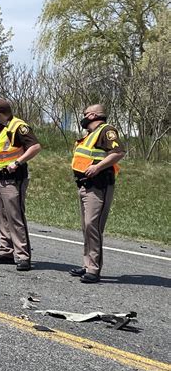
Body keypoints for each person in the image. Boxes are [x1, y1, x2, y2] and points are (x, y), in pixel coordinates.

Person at [0, 98, 41, 271]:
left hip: (15, 179)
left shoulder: (18, 127)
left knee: (16, 217)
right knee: (3, 218)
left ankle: (23, 256)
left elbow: (35, 147)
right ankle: (5, 251)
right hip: (0, 178)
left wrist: (19, 162)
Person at [71, 103, 125, 283]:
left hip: (99, 186)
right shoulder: (90, 135)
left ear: (93, 115)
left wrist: (97, 167)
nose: (83, 117)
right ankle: (87, 264)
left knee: (93, 226)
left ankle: (94, 269)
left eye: (85, 114)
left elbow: (118, 152)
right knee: (87, 227)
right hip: (85, 186)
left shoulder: (106, 131)